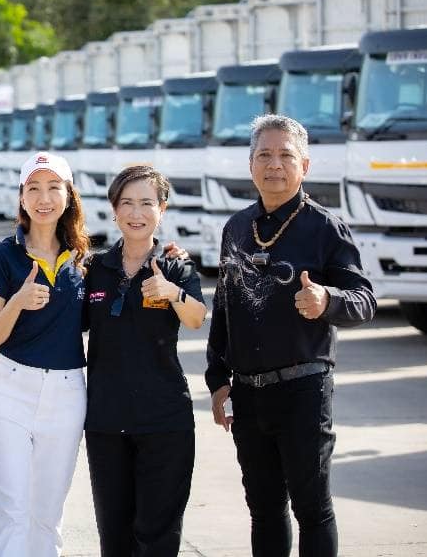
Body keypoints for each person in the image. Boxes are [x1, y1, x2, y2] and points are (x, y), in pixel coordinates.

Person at [206, 114, 376, 557]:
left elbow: (364, 299)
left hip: (304, 390)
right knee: (263, 510)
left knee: (312, 509)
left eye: (285, 155)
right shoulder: (236, 228)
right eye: (264, 155)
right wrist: (217, 378)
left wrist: (327, 300)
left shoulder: (324, 228)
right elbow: (224, 307)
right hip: (248, 394)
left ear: (305, 165)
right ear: (251, 165)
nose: (274, 164)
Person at [83, 165, 207, 557]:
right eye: (127, 203)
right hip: (106, 421)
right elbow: (67, 323)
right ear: (114, 209)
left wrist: (172, 292)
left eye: (147, 204)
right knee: (114, 535)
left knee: (158, 535)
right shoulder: (94, 269)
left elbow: (197, 317)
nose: (136, 213)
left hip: (164, 420)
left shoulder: (176, 266)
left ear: (162, 209)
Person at [0, 151, 90, 557]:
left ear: (68, 195)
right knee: (12, 510)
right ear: (22, 197)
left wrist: (168, 257)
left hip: (67, 393)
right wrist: (18, 302)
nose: (44, 198)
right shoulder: (0, 255)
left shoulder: (84, 259)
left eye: (53, 187)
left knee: (47, 514)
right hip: (9, 391)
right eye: (34, 188)